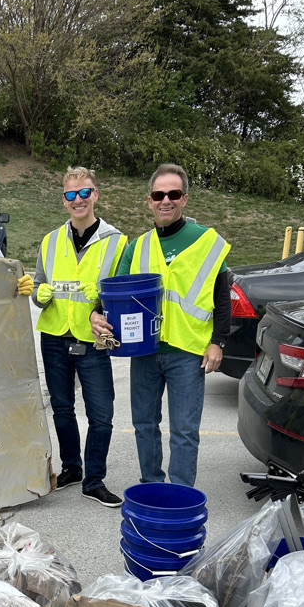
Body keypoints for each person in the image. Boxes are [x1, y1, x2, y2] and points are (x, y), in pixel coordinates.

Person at [94, 163, 230, 488]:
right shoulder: (138, 246)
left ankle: (180, 497)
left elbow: (222, 297)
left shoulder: (207, 242)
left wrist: (218, 342)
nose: (165, 200)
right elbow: (114, 290)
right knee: (144, 424)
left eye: (173, 194)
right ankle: (152, 486)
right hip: (145, 352)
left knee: (184, 431)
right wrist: (96, 313)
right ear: (150, 200)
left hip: (187, 352)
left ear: (184, 199)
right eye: (159, 194)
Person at [33, 167, 126, 508]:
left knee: (101, 413)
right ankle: (72, 467)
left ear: (95, 195)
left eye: (84, 193)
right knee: (61, 408)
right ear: (64, 200)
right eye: (71, 195)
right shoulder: (51, 240)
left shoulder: (116, 242)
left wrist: (101, 302)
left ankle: (94, 479)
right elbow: (39, 289)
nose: (78, 200)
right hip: (55, 335)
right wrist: (39, 296)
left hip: (93, 338)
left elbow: (122, 295)